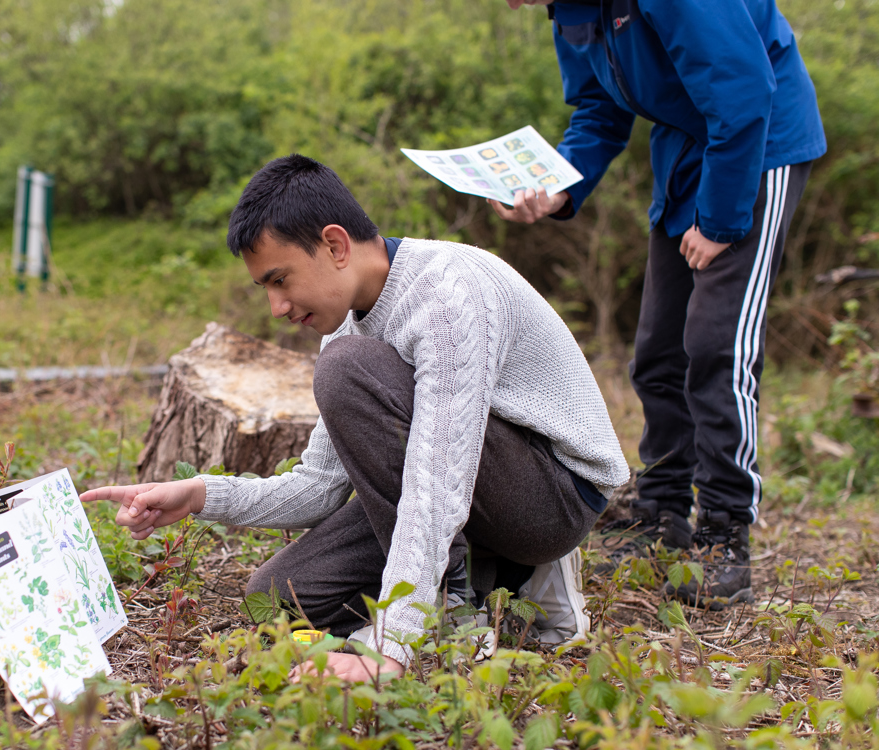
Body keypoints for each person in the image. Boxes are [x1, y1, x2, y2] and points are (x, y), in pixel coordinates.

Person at [83, 155, 629, 681]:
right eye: (266, 288)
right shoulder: (347, 327)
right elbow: (319, 487)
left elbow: (437, 483)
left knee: (347, 370)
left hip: (552, 498)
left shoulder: (448, 295)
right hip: (466, 494)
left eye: (280, 280)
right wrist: (200, 494)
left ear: (335, 245)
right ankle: (496, 575)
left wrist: (395, 643)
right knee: (278, 597)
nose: (276, 307)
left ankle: (455, 606)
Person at [496, 0, 826, 608]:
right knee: (657, 351)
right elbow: (599, 108)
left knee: (715, 345)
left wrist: (722, 220)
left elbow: (744, 88)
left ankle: (725, 532)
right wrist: (557, 191)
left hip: (757, 144)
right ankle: (663, 512)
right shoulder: (568, 9)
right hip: (687, 153)